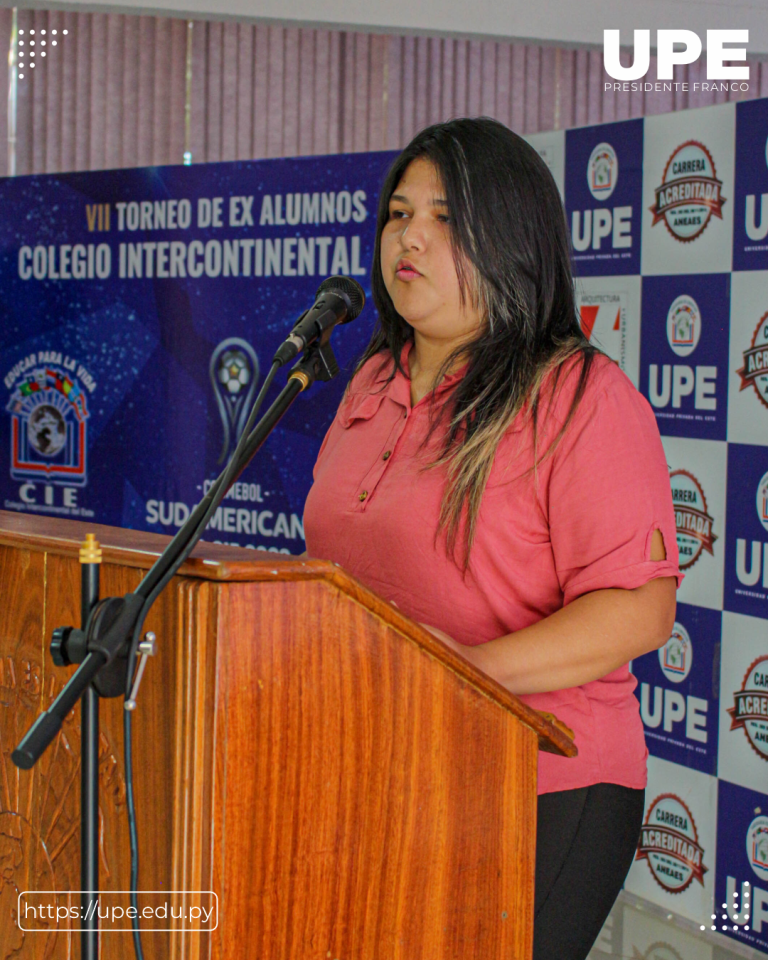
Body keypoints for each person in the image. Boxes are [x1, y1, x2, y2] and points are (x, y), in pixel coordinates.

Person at [302, 117, 680, 960]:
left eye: (445, 217)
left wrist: (459, 671)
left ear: (509, 237)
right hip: (389, 764)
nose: (411, 236)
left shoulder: (578, 394)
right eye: (399, 213)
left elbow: (641, 611)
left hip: (541, 783)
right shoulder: (370, 379)